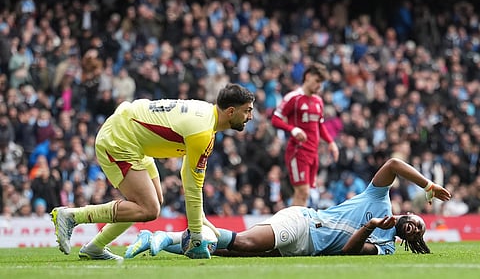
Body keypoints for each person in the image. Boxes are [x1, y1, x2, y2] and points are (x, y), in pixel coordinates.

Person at [51, 83, 255, 260]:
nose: (250, 116)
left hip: (134, 134)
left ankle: (95, 248)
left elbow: (187, 175)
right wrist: (195, 234)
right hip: (121, 138)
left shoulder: (205, 114)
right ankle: (71, 216)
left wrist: (198, 218)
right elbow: (193, 184)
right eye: (247, 111)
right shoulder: (202, 132)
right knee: (148, 208)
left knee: (153, 201)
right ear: (230, 111)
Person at [127, 158, 451, 258]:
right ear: (406, 214)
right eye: (415, 220)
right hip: (305, 222)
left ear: (412, 239)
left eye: (418, 230)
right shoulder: (378, 199)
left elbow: (349, 254)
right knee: (245, 242)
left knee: (227, 252)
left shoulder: (387, 249)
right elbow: (394, 163)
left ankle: (160, 240)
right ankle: (174, 235)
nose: (415, 226)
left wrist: (372, 228)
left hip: (301, 251)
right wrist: (427, 185)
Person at [271, 63, 339, 206]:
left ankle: (297, 225)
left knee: (308, 193)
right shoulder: (293, 97)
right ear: (308, 76)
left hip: (313, 153)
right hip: (298, 150)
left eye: (321, 82)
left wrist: (331, 143)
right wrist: (292, 129)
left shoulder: (318, 101)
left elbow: (319, 126)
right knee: (303, 192)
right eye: (317, 81)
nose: (319, 86)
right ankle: (294, 226)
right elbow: (275, 119)